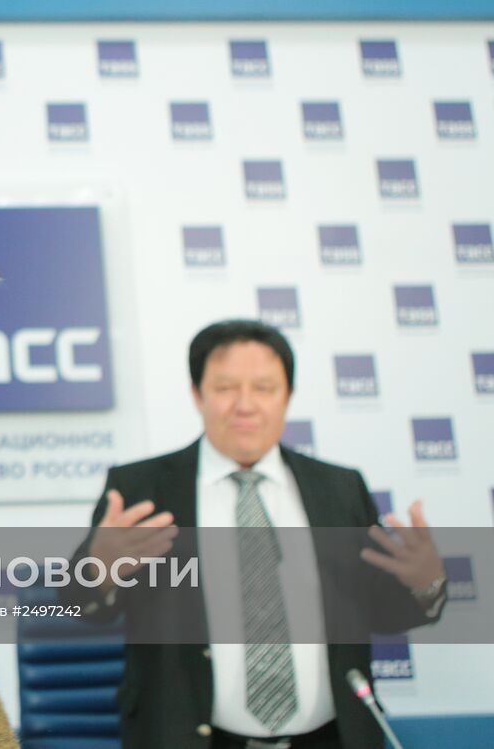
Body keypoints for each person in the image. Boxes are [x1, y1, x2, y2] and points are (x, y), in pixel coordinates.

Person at [64, 319, 446, 749]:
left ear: (288, 396)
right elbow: (82, 605)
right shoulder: (142, 489)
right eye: (226, 388)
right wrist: (97, 569)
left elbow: (384, 614)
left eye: (264, 388)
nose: (245, 405)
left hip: (331, 739)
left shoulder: (339, 489)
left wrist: (425, 584)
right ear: (197, 394)